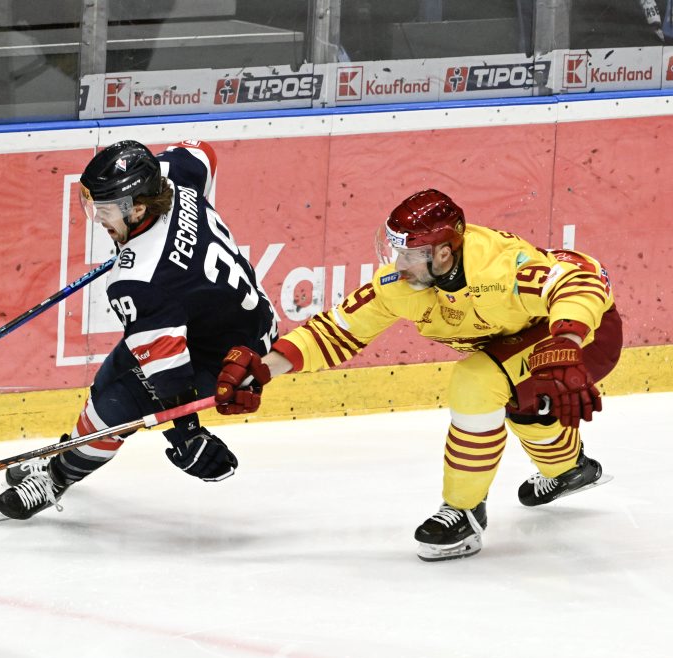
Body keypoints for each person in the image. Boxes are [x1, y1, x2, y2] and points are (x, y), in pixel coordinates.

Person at [213, 189, 622, 561]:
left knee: (477, 382)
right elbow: (335, 331)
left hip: (585, 334)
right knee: (523, 404)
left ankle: (464, 512)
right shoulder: (403, 282)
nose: (398, 264)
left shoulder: (496, 268)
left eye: (408, 254)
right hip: (520, 343)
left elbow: (583, 279)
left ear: (443, 253)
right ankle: (567, 469)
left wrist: (567, 338)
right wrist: (267, 368)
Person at [0, 139, 280, 521]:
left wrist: (187, 437)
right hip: (234, 317)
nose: (98, 220)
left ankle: (56, 478)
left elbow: (171, 382)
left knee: (114, 409)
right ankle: (69, 454)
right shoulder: (173, 177)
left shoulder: (137, 280)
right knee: (108, 380)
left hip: (223, 358)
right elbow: (201, 151)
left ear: (138, 207)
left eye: (105, 211)